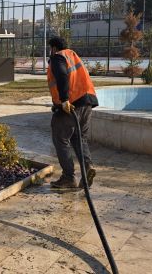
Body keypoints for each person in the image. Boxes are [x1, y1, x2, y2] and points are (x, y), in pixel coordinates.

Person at [47, 36, 98, 189]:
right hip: (87, 102)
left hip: (71, 104)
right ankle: (87, 167)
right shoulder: (73, 55)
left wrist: (63, 100)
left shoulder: (58, 57)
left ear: (54, 48)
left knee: (60, 138)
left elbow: (62, 75)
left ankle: (68, 177)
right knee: (79, 138)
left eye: (50, 48)